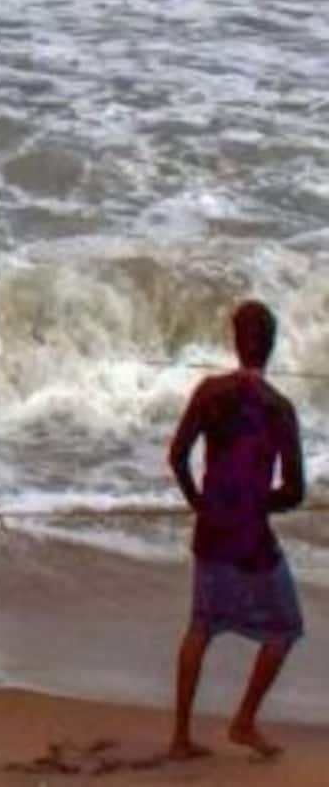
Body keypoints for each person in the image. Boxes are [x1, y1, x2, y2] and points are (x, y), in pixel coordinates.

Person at [166, 299, 306, 760]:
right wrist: (255, 503)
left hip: (212, 528)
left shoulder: (209, 392)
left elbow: (177, 456)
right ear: (271, 347)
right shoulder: (279, 408)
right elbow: (294, 490)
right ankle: (244, 720)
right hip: (250, 538)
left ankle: (181, 737)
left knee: (200, 627)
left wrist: (199, 502)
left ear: (235, 341)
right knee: (284, 627)